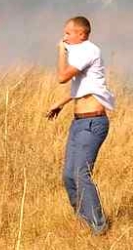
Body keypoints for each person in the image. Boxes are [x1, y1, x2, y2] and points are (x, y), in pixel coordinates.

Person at [46, 15, 115, 235]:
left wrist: (60, 51)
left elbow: (62, 77)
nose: (64, 37)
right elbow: (86, 86)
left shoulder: (89, 50)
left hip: (93, 122)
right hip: (78, 123)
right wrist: (63, 102)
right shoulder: (81, 52)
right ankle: (83, 221)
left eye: (68, 33)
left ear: (81, 34)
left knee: (81, 174)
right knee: (68, 175)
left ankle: (99, 226)